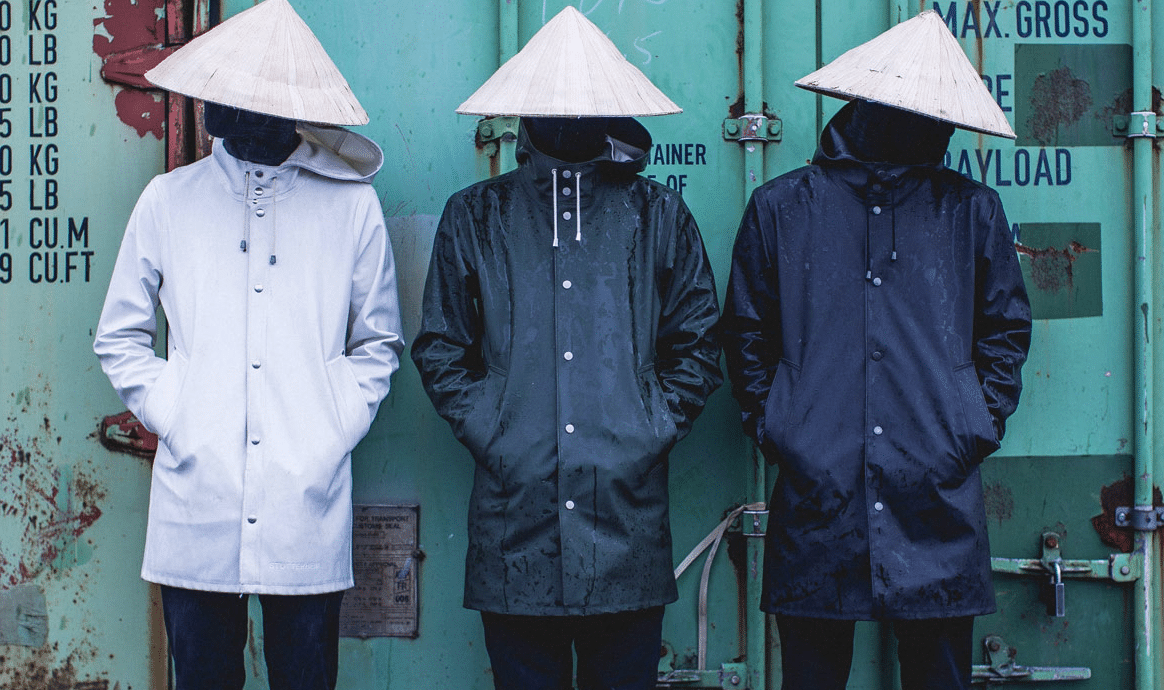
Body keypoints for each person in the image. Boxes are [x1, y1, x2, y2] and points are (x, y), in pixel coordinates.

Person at [92, 1, 403, 688]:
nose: (216, 107)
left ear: (284, 107)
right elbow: (119, 335)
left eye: (240, 96)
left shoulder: (350, 206)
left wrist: (329, 426)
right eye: (217, 90)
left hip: (305, 503)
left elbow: (379, 343)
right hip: (196, 501)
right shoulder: (168, 201)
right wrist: (179, 411)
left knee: (304, 679)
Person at [411, 7, 721, 690]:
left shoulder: (658, 215)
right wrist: (495, 429)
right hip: (513, 528)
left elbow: (700, 344)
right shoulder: (477, 215)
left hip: (626, 527)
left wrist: (648, 427)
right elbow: (439, 346)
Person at [720, 11, 1032, 690]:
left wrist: (971, 425)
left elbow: (1006, 331)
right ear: (874, 107)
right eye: (928, 113)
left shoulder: (971, 210)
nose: (942, 129)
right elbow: (745, 333)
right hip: (817, 490)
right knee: (810, 675)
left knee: (939, 675)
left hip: (936, 492)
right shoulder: (783, 210)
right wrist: (782, 428)